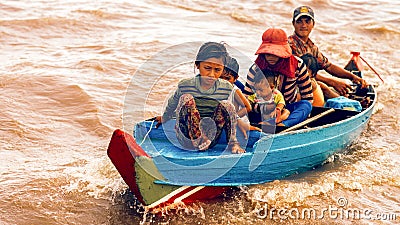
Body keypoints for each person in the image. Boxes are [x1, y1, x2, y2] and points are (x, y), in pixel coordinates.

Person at [155, 42, 245, 154]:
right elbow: (173, 104)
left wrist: (240, 122)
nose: (211, 74)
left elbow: (227, 114)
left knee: (227, 105)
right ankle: (199, 138)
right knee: (186, 98)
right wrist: (165, 117)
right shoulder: (186, 85)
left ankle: (233, 143)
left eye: (217, 70)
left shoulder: (226, 87)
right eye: (207, 68)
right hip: (186, 137)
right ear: (198, 65)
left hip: (210, 139)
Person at [288, 6, 368, 98]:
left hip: (309, 84)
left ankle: (347, 100)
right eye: (299, 22)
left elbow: (329, 66)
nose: (303, 25)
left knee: (340, 91)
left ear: (313, 24)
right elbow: (303, 74)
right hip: (294, 88)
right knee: (324, 87)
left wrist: (353, 77)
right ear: (293, 24)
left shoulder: (311, 46)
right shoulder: (290, 45)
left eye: (307, 21)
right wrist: (332, 82)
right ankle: (347, 103)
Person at [243, 28, 313, 127]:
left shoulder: (298, 65)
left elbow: (307, 96)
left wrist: (298, 116)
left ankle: (283, 125)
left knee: (306, 105)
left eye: (275, 53)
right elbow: (247, 98)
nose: (270, 57)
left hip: (286, 111)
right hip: (260, 111)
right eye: (267, 53)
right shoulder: (255, 69)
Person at [220, 56, 261, 137]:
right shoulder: (215, 88)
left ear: (235, 79)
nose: (223, 81)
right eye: (220, 77)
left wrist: (233, 118)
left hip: (239, 123)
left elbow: (248, 107)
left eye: (227, 78)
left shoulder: (234, 90)